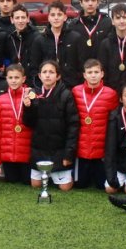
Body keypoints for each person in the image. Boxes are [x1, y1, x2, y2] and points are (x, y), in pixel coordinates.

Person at [24, 60, 78, 192]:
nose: (47, 75)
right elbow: (28, 123)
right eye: (44, 72)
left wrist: (68, 155)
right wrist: (28, 108)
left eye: (51, 72)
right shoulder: (33, 94)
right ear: (39, 75)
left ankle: (65, 174)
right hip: (39, 149)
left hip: (59, 150)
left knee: (65, 188)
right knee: (35, 185)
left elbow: (73, 125)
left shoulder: (66, 95)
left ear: (58, 76)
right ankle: (46, 175)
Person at [71, 58, 119, 189]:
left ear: (102, 74)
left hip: (100, 150)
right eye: (90, 72)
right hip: (81, 149)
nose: (93, 75)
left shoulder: (111, 94)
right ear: (84, 75)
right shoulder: (75, 91)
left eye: (96, 72)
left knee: (100, 185)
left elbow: (114, 121)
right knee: (80, 184)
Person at [0, 63, 34, 183]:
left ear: (23, 79)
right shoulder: (1, 99)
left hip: (26, 153)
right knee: (11, 180)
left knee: (26, 181)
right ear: (6, 79)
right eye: (10, 78)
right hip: (8, 153)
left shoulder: (30, 95)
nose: (13, 81)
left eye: (17, 77)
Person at [31, 1, 80, 88]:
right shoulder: (40, 40)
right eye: (53, 15)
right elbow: (35, 66)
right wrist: (39, 86)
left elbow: (80, 64)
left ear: (65, 17)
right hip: (47, 86)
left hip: (70, 86)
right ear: (48, 17)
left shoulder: (75, 38)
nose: (56, 18)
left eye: (59, 15)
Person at [64, 0, 113, 69]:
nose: (90, 3)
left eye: (93, 0)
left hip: (103, 72)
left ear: (98, 2)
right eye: (86, 0)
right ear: (81, 3)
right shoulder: (73, 25)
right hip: (80, 73)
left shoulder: (108, 23)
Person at [4, 4, 37, 85]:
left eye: (23, 17)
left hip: (31, 81)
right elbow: (6, 58)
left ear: (28, 19)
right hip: (14, 81)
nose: (20, 21)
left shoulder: (36, 37)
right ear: (12, 20)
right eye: (17, 18)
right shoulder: (9, 38)